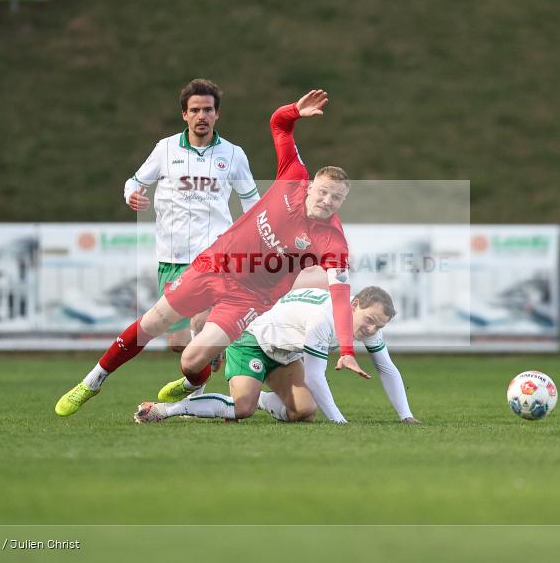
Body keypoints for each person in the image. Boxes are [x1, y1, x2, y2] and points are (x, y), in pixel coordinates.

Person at [55, 90, 365, 416]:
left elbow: (341, 294)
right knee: (155, 321)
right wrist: (294, 111)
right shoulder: (294, 177)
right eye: (324, 192)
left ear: (342, 202)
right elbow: (279, 125)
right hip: (216, 263)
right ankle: (93, 381)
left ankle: (192, 383)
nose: (327, 201)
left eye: (337, 198)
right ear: (312, 185)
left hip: (248, 298)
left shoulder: (333, 242)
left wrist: (346, 349)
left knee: (190, 359)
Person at [134, 286, 419, 424]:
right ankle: (165, 410)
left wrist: (406, 417)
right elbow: (317, 375)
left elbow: (387, 369)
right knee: (240, 409)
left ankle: (260, 397)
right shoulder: (325, 319)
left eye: (378, 326)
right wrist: (339, 422)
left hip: (285, 353)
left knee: (304, 412)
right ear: (354, 304)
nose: (371, 329)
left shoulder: (368, 327)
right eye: (369, 320)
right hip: (251, 339)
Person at [125, 78, 259, 359]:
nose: (202, 116)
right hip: (173, 257)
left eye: (208, 110)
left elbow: (252, 203)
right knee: (178, 341)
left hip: (215, 256)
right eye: (196, 110)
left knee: (204, 325)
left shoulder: (234, 154)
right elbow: (134, 182)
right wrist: (132, 195)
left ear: (217, 114)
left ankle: (201, 389)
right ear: (184, 114)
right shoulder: (165, 149)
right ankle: (208, 363)